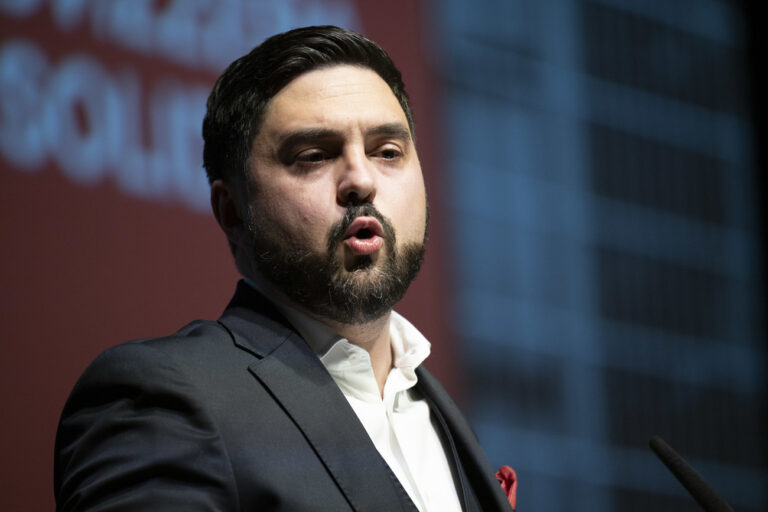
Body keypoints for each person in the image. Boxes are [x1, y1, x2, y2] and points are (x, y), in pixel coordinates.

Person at [54, 25, 512, 511]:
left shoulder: (445, 419)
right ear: (232, 211)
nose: (361, 179)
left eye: (387, 152)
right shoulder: (160, 399)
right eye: (313, 156)